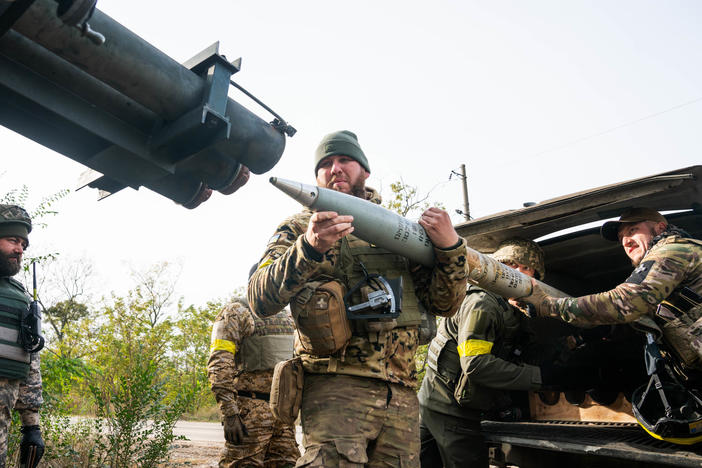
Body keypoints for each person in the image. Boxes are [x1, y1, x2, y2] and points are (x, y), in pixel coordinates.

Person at [248, 130, 468, 467]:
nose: (335, 168)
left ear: (364, 170)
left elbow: (444, 305)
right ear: (316, 177)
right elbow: (259, 298)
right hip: (335, 388)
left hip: (402, 393)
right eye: (325, 164)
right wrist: (309, 248)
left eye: (344, 160)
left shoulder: (399, 231)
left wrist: (451, 250)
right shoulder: (298, 228)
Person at [519, 207, 702, 375]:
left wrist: (548, 305)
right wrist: (586, 336)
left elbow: (624, 302)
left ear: (661, 228)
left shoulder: (672, 252)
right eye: (621, 238)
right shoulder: (673, 256)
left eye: (632, 230)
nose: (626, 241)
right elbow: (640, 319)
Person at [418, 238, 546, 468]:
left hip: (437, 403)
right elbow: (476, 364)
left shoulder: (512, 310)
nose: (515, 272)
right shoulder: (483, 303)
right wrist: (542, 378)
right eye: (509, 264)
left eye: (524, 267)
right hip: (450, 411)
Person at [207, 284, 299, 468]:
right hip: (249, 412)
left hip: (282, 414)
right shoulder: (236, 312)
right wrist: (230, 413)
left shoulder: (288, 316)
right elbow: (219, 364)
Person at [0, 204, 44, 467]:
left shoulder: (20, 297)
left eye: (24, 245)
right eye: (12, 240)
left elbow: (30, 360)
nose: (20, 249)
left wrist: (32, 428)